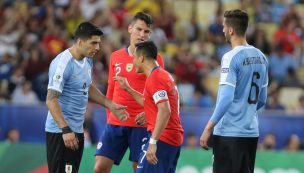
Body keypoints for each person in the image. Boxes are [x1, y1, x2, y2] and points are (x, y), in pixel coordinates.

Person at [45, 22, 129, 173]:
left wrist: (109, 104)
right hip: (61, 132)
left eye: (99, 43)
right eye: (94, 43)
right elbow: (51, 100)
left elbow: (87, 86)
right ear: (80, 42)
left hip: (76, 130)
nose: (97, 48)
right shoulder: (62, 64)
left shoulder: (87, 59)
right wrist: (65, 129)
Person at [199, 9, 268, 173]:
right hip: (251, 133)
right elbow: (262, 99)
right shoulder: (261, 57)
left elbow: (225, 99)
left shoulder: (230, 57)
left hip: (229, 134)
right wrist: (245, 112)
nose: (222, 30)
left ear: (231, 30)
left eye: (224, 26)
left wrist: (208, 128)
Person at [94, 12, 164, 173]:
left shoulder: (156, 59)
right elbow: (111, 89)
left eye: (146, 31)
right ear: (130, 28)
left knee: (138, 171)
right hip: (115, 123)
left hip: (141, 124)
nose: (142, 34)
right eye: (139, 29)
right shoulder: (115, 56)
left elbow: (160, 92)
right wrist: (109, 116)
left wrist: (150, 113)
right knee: (99, 168)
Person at [114, 41, 184, 173]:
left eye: (134, 57)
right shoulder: (163, 75)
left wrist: (153, 142)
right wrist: (128, 89)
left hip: (163, 138)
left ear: (141, 58)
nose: (133, 61)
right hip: (171, 138)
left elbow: (165, 111)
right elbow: (151, 103)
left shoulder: (156, 78)